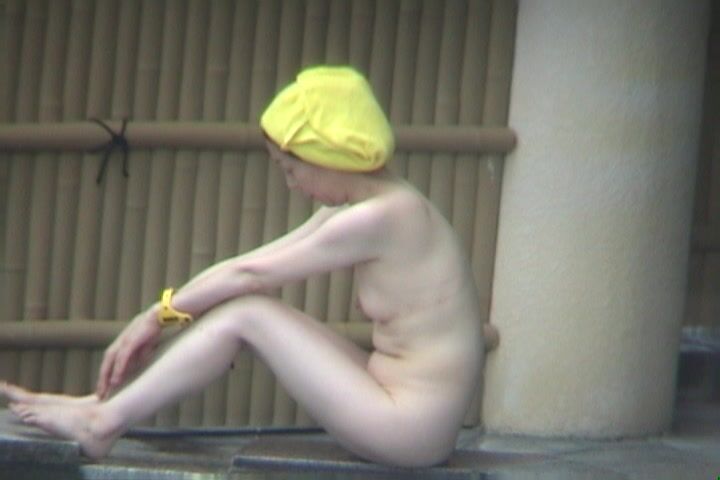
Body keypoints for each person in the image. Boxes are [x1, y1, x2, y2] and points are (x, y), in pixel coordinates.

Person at [0, 66, 486, 468]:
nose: (292, 185)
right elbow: (245, 264)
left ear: (325, 155)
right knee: (244, 306)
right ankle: (100, 406)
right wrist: (162, 311)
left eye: (291, 169)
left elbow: (249, 279)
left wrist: (154, 319)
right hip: (391, 391)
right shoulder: (364, 208)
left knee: (249, 313)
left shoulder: (384, 217)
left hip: (412, 426)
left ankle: (101, 424)